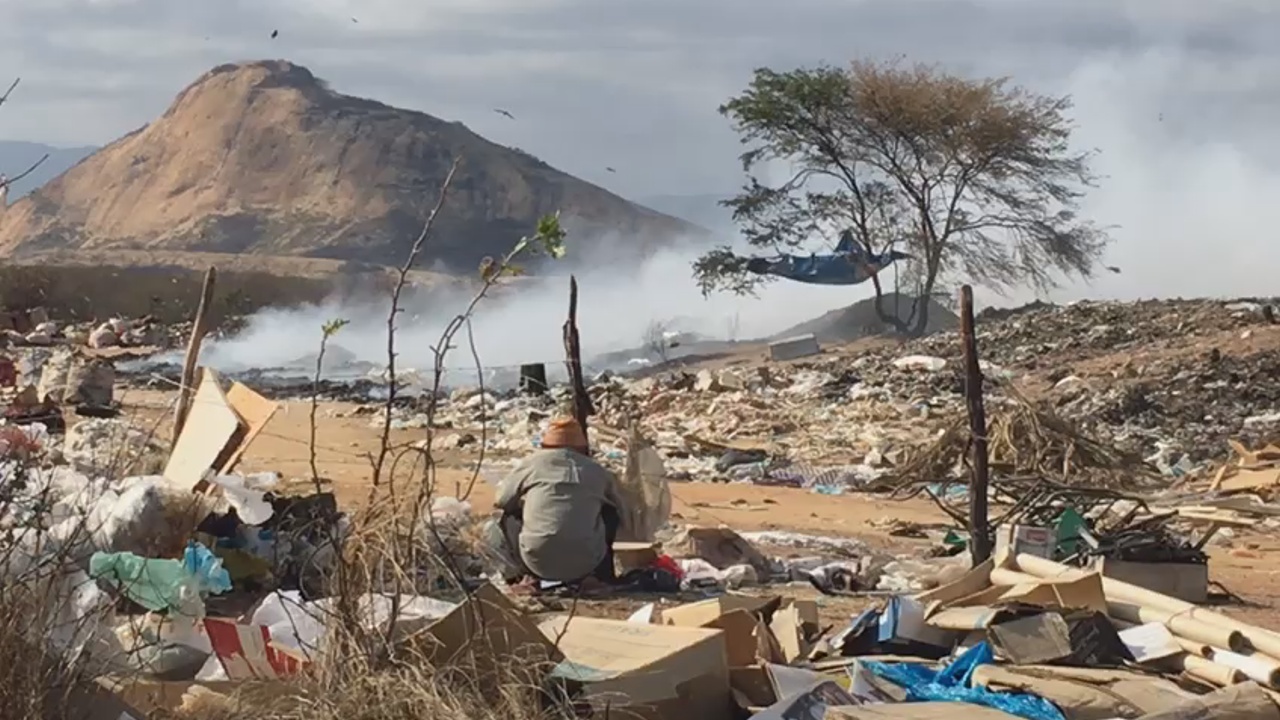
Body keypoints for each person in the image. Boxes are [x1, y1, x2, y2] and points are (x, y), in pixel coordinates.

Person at [492, 416, 624, 587]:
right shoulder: (597, 470)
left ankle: (518, 578)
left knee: (497, 523)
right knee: (610, 513)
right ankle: (601, 575)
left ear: (545, 445)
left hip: (535, 561)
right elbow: (620, 505)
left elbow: (502, 500)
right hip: (587, 560)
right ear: (583, 447)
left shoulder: (533, 463)